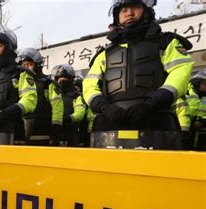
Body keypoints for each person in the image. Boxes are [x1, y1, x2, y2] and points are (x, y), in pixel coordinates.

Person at [83, 0, 194, 149]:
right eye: (123, 10)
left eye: (135, 7)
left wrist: (152, 103)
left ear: (147, 10)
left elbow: (180, 72)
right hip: (110, 123)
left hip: (156, 120)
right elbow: (89, 84)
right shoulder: (105, 54)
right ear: (117, 17)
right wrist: (104, 107)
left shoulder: (167, 43)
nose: (129, 13)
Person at [17, 47, 63, 146]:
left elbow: (57, 107)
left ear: (37, 64)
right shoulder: (18, 81)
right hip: (21, 128)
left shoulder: (48, 83)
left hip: (42, 128)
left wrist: (56, 128)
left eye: (29, 64)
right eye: (23, 65)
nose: (26, 67)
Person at [51, 64, 86, 147]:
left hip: (71, 131)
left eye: (65, 78)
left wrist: (68, 118)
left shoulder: (77, 96)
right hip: (54, 130)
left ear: (71, 79)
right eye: (59, 78)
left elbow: (80, 113)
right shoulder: (53, 93)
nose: (62, 80)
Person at [188, 69, 206, 150]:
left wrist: (201, 121)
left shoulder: (204, 96)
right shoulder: (186, 92)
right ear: (198, 83)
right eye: (205, 83)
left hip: (197, 130)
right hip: (183, 128)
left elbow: (203, 112)